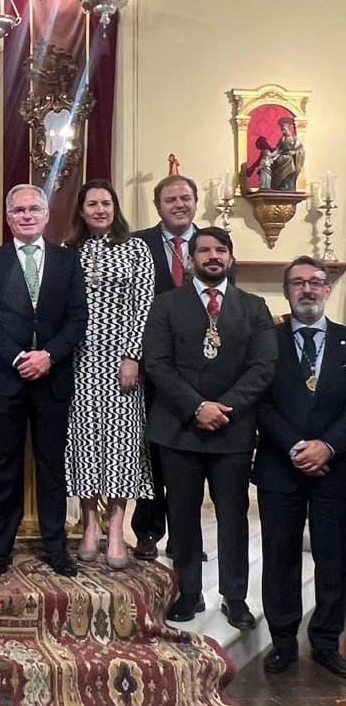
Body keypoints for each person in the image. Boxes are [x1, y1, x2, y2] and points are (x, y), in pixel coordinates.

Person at [142, 226, 277, 626]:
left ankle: (235, 597)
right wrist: (196, 406)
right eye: (204, 250)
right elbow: (158, 364)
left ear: (231, 258)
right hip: (178, 429)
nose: (212, 256)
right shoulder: (165, 305)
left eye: (220, 250)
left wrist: (224, 407)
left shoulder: (254, 307)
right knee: (181, 517)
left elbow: (263, 366)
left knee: (233, 517)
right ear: (191, 259)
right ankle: (189, 592)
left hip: (231, 432)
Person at [0, 183, 87, 578]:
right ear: (8, 217)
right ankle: (1, 547)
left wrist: (48, 356)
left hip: (52, 378)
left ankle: (55, 546)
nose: (26, 215)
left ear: (46, 214)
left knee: (52, 467)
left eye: (33, 209)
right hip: (5, 377)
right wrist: (20, 357)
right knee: (5, 466)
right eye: (18, 210)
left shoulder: (67, 261)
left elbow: (77, 319)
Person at [130, 175, 234, 561]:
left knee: (190, 455)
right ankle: (148, 532)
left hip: (200, 368)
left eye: (185, 198)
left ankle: (184, 538)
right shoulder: (137, 244)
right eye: (170, 199)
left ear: (194, 203)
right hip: (152, 364)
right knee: (153, 451)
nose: (178, 204)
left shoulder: (213, 246)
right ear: (158, 206)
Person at [255, 257, 346, 677]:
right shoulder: (266, 341)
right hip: (280, 466)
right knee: (280, 558)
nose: (307, 289)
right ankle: (284, 643)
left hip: (337, 468)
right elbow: (259, 402)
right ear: (287, 290)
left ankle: (327, 642)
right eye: (298, 283)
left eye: (315, 282)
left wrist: (327, 446)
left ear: (327, 289)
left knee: (335, 558)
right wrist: (295, 446)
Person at [63, 181, 154, 569]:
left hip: (121, 359)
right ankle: (89, 524)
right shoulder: (70, 252)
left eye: (106, 203)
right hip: (80, 360)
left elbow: (144, 304)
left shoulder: (136, 249)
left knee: (120, 443)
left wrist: (132, 354)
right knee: (84, 442)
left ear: (115, 208)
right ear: (81, 212)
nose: (100, 210)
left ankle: (116, 526)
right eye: (92, 204)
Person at [269, 116, 305, 192]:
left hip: (290, 160)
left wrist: (294, 152)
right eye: (282, 130)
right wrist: (272, 155)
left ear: (289, 128)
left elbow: (301, 150)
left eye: (284, 129)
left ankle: (288, 186)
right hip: (281, 158)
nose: (283, 131)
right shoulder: (282, 139)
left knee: (288, 161)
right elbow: (278, 149)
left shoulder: (295, 139)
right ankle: (279, 186)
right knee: (276, 161)